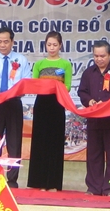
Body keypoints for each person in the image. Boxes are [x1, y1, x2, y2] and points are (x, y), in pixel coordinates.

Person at [0, 26, 31, 188]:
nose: (2, 45)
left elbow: (27, 81)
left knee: (14, 141)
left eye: (6, 42)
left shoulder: (21, 60)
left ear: (12, 42)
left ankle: (12, 180)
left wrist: (19, 91)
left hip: (14, 103)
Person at [77, 40, 110, 196]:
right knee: (94, 154)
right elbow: (82, 92)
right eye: (96, 56)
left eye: (102, 56)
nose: (99, 59)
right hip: (94, 119)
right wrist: (90, 101)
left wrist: (106, 103)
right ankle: (94, 187)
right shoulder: (88, 72)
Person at [27, 31, 72, 191]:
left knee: (55, 142)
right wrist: (45, 86)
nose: (52, 48)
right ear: (45, 45)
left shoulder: (65, 64)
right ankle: (37, 181)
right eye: (49, 45)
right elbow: (34, 84)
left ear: (60, 46)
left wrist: (55, 87)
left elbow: (67, 86)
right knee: (40, 141)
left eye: (55, 45)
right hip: (42, 104)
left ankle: (52, 183)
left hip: (57, 104)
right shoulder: (39, 64)